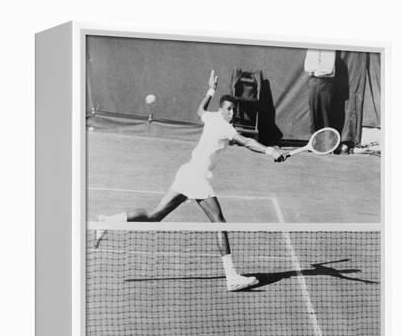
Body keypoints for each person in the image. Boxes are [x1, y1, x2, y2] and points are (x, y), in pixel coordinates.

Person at [97, 70, 285, 292]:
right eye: (229, 109)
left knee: (155, 216)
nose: (232, 113)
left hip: (187, 173)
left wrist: (210, 90)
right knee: (220, 223)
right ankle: (231, 276)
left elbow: (200, 111)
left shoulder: (212, 117)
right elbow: (246, 142)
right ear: (221, 110)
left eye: (234, 110)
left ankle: (109, 221)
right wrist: (269, 151)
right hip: (195, 177)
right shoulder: (224, 126)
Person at [304, 49, 337, 134]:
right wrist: (316, 70)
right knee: (314, 117)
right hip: (314, 83)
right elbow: (307, 67)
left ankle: (328, 144)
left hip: (325, 83)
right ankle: (314, 143)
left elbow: (327, 69)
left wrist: (315, 71)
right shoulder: (312, 47)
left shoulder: (329, 47)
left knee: (326, 118)